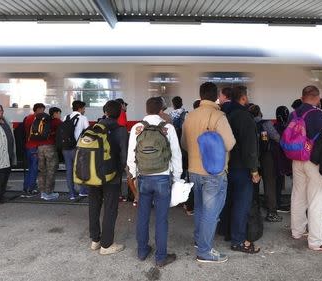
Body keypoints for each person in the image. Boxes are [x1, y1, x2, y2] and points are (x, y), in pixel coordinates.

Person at [181, 82, 236, 263]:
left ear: (201, 95)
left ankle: (199, 240)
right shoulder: (218, 116)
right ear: (216, 96)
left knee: (199, 208)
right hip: (213, 172)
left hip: (193, 170)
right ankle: (205, 251)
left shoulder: (190, 115)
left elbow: (184, 145)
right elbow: (230, 144)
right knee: (211, 213)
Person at [128, 97, 182, 267]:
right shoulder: (168, 128)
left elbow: (131, 157)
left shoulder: (137, 128)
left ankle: (142, 251)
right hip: (162, 178)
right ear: (161, 111)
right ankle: (161, 257)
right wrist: (177, 178)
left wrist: (134, 178)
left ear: (146, 109)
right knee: (161, 219)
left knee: (143, 215)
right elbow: (176, 155)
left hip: (143, 177)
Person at [290, 85, 322, 252]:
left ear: (302, 96)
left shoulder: (294, 113)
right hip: (314, 161)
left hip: (297, 158)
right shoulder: (318, 115)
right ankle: (316, 241)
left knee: (298, 195)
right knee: (318, 199)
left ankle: (297, 231)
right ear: (318, 98)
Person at [89, 100, 128, 255]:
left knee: (94, 206)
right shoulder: (120, 130)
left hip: (92, 174)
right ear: (120, 113)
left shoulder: (94, 127)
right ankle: (107, 245)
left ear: (105, 112)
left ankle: (95, 240)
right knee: (110, 209)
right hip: (112, 176)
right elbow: (124, 155)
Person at [227, 85, 261, 254]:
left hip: (228, 166)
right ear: (243, 97)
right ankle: (238, 241)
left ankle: (229, 233)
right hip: (242, 168)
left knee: (231, 201)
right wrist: (254, 170)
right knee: (242, 204)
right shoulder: (244, 117)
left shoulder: (228, 114)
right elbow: (250, 147)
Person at [248, 104, 282, 222]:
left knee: (253, 185)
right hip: (267, 157)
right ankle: (271, 213)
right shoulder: (266, 123)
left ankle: (254, 211)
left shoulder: (248, 124)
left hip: (252, 157)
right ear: (259, 113)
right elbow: (277, 138)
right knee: (269, 184)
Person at [62, 101, 90, 200]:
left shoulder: (66, 117)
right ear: (80, 109)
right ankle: (83, 190)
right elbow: (87, 133)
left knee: (69, 170)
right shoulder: (83, 118)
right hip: (78, 148)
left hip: (66, 148)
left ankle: (72, 194)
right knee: (81, 169)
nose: (84, 110)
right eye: (84, 108)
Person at [37, 107, 62, 200]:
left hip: (40, 147)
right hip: (50, 147)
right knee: (51, 170)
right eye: (59, 113)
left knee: (42, 171)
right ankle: (49, 193)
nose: (60, 115)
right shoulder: (57, 121)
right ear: (56, 113)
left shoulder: (43, 121)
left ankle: (42, 192)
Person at [22, 103, 45, 197]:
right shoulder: (38, 119)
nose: (43, 112)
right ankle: (31, 189)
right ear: (39, 109)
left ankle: (26, 187)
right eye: (42, 110)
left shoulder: (28, 118)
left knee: (30, 168)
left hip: (28, 146)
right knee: (34, 169)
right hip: (35, 146)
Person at [273, 106, 292, 213]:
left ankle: (278, 203)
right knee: (278, 182)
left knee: (278, 182)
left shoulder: (276, 126)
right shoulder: (281, 128)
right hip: (279, 159)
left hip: (281, 159)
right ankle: (277, 204)